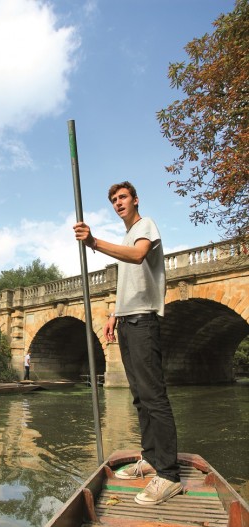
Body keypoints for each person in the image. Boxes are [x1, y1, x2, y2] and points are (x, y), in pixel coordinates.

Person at [73, 181, 182, 506]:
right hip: (127, 319)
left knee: (154, 395)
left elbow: (137, 257)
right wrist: (113, 314)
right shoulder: (123, 237)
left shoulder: (144, 227)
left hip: (145, 320)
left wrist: (93, 241)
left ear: (135, 199)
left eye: (123, 197)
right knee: (139, 397)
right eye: (114, 200)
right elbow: (128, 283)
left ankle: (169, 475)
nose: (118, 202)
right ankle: (150, 457)